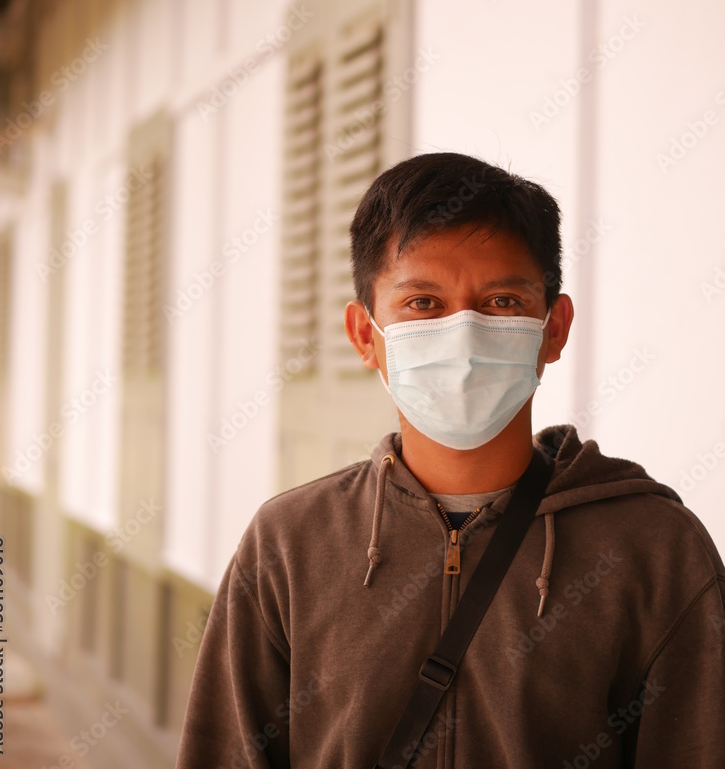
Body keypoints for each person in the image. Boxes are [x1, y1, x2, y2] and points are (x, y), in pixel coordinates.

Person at [175, 151, 725, 768]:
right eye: (424, 304)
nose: (463, 335)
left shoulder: (655, 551)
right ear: (365, 335)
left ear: (555, 327)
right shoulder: (288, 545)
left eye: (502, 303)